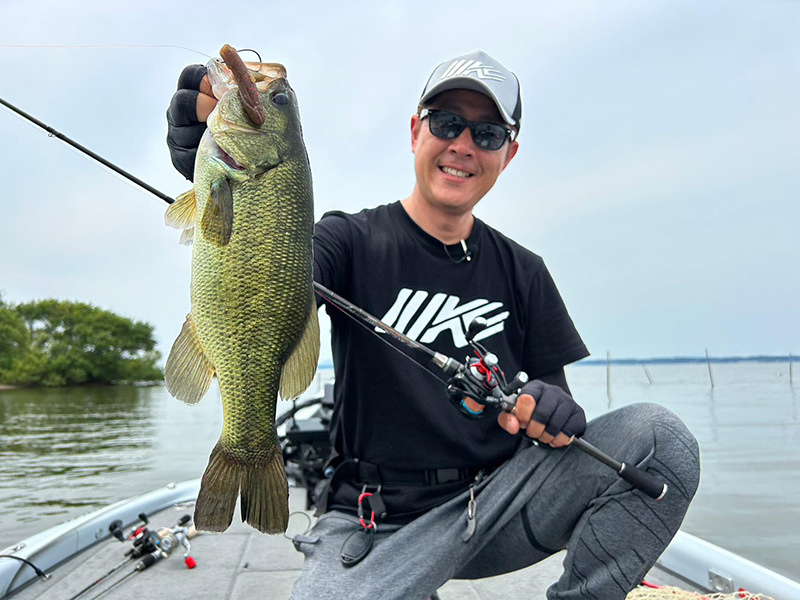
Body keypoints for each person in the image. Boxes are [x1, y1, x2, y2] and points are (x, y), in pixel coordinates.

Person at [167, 50, 700, 600]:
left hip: (497, 505)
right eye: (447, 123)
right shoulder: (349, 240)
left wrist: (556, 408)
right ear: (416, 130)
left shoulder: (525, 271)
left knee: (661, 442)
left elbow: (554, 406)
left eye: (487, 133)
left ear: (508, 153)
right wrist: (210, 178)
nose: (463, 144)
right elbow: (273, 262)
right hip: (372, 518)